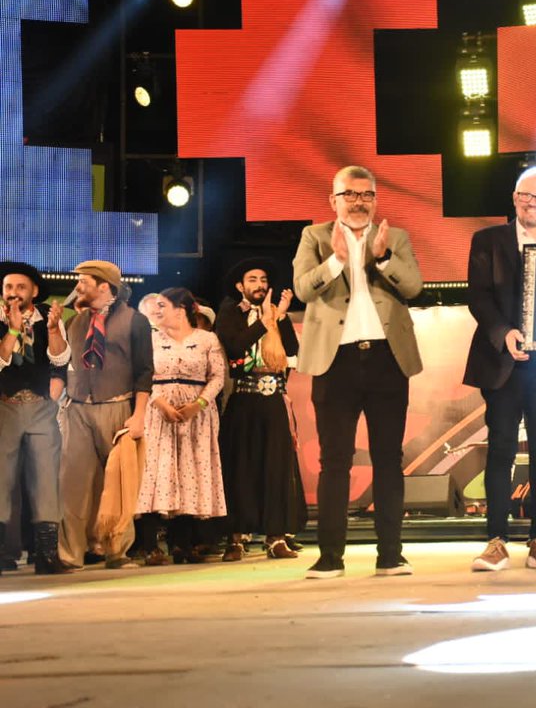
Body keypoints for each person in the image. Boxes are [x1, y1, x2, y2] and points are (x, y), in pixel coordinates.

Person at [293, 165, 423, 578]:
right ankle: (330, 556)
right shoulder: (314, 237)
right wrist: (337, 260)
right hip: (336, 362)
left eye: (366, 195)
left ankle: (391, 554)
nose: (358, 202)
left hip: (387, 359)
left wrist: (382, 257)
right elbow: (302, 288)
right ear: (333, 200)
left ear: (375, 200)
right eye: (349, 194)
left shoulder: (394, 237)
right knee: (335, 461)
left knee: (388, 458)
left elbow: (413, 287)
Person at [463, 167, 536, 571]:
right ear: (514, 198)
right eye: (526, 195)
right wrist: (504, 333)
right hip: (503, 362)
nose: (533, 203)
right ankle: (496, 540)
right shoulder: (488, 240)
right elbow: (478, 297)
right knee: (501, 449)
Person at [59, 260, 153, 569]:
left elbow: (144, 372)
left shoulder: (135, 321)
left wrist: (138, 416)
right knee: (73, 483)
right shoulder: (75, 322)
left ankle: (117, 551)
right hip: (78, 408)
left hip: (117, 406)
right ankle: (70, 554)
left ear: (104, 286)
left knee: (119, 482)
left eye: (84, 282)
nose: (78, 287)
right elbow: (61, 362)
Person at [214, 259, 305, 562]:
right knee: (240, 468)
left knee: (276, 468)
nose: (260, 285)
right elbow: (235, 347)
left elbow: (292, 352)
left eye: (263, 279)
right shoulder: (230, 312)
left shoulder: (277, 314)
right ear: (240, 286)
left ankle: (275, 537)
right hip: (243, 399)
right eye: (252, 279)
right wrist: (264, 322)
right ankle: (236, 537)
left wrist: (280, 318)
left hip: (274, 399)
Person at [135, 288, 227, 565]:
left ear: (181, 309)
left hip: (196, 414)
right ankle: (150, 546)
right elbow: (143, 374)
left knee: (190, 472)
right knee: (156, 472)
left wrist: (198, 404)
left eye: (163, 305)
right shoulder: (151, 339)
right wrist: (160, 402)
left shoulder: (207, 339)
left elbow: (218, 376)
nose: (157, 310)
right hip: (158, 411)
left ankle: (182, 544)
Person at [0, 262, 70, 575]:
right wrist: (13, 329)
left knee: (45, 478)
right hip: (4, 407)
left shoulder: (47, 318)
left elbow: (60, 358)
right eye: (8, 287)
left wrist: (53, 330)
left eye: (20, 287)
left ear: (34, 291)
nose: (13, 293)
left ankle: (46, 554)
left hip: (41, 406)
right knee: (1, 480)